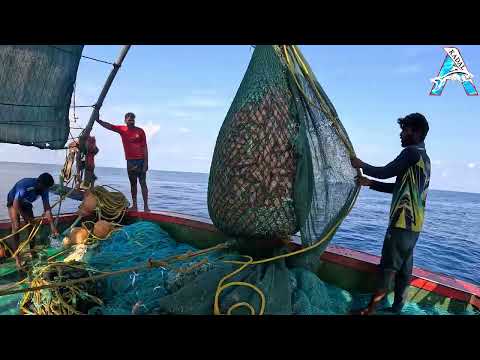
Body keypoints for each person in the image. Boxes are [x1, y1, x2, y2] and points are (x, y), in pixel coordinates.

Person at [350, 113, 431, 315]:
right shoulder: (424, 157)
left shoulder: (411, 152)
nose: (401, 134)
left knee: (388, 267)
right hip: (415, 225)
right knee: (404, 268)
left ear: (417, 132)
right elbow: (399, 187)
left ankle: (370, 310)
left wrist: (362, 165)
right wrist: (370, 184)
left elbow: (385, 171)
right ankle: (397, 308)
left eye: (405, 130)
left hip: (402, 223)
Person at [96, 112, 150, 212]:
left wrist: (146, 163)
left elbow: (145, 147)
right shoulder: (122, 129)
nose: (131, 121)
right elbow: (110, 126)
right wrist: (99, 121)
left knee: (143, 183)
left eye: (133, 119)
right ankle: (135, 206)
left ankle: (146, 207)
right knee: (133, 184)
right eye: (129, 119)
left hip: (141, 161)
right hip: (130, 162)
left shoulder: (140, 131)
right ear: (125, 120)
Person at [4, 173, 59, 268]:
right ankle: (17, 259)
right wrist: (27, 218)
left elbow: (47, 208)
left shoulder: (44, 189)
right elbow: (16, 204)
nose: (45, 190)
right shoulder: (26, 186)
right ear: (39, 183)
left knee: (32, 226)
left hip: (26, 202)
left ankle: (32, 252)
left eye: (47, 188)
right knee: (16, 227)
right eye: (45, 187)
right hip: (13, 201)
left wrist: (52, 226)